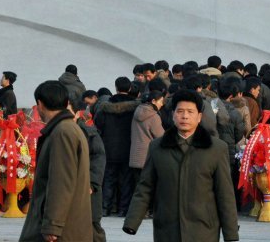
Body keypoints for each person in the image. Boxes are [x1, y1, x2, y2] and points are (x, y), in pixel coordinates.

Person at [123, 89, 239, 242]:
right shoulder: (157, 147)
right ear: (173, 115)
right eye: (180, 111)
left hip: (203, 230)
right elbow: (145, 187)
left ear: (199, 117)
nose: (185, 116)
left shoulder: (216, 149)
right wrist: (132, 221)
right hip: (167, 229)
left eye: (190, 112)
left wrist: (230, 233)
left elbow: (225, 193)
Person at [20, 81, 92, 242]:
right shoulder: (67, 129)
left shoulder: (62, 132)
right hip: (66, 224)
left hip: (62, 230)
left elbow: (61, 182)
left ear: (39, 104)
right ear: (67, 103)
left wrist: (53, 225)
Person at [95, 76, 139, 217]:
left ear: (115, 87)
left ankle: (105, 208)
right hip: (128, 148)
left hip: (109, 148)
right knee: (126, 180)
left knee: (108, 179)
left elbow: (98, 125)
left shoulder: (105, 107)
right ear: (130, 88)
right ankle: (123, 209)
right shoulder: (135, 107)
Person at [72, 105, 107, 242]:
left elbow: (99, 157)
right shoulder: (56, 133)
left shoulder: (89, 133)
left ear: (76, 113)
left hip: (88, 188)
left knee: (92, 225)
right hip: (66, 188)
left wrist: (92, 182)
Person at [129, 89, 165, 192]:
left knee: (138, 190)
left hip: (135, 157)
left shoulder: (136, 112)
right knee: (148, 190)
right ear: (153, 101)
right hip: (147, 158)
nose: (162, 104)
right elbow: (161, 136)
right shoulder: (154, 116)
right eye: (161, 101)